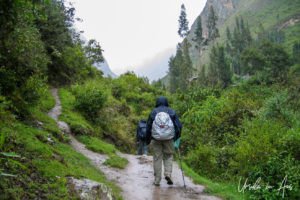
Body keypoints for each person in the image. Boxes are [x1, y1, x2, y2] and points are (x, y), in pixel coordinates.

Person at [145, 96, 182, 186]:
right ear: (166, 102)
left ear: (157, 102)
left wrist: (148, 140)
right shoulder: (172, 111)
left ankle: (157, 180)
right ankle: (168, 174)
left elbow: (148, 127)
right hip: (169, 139)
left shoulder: (154, 112)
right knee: (168, 156)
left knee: (157, 158)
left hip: (156, 139)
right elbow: (179, 126)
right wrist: (176, 138)